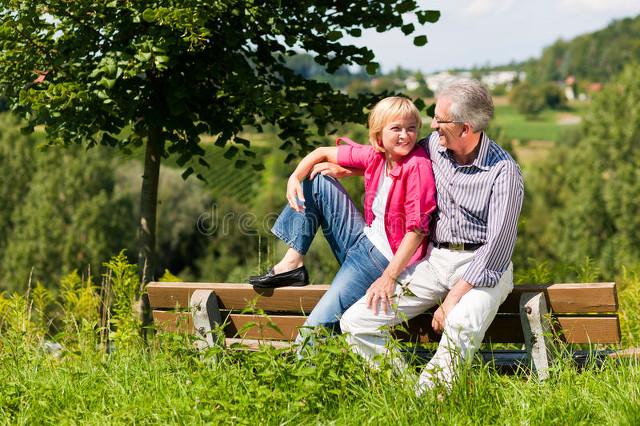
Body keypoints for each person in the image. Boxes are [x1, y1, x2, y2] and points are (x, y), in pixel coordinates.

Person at [340, 78, 524, 394]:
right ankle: (403, 396)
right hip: (436, 262)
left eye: (440, 119)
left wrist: (453, 297)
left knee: (460, 322)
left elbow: (498, 247)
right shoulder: (433, 149)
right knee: (357, 322)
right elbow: (390, 153)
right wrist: (333, 164)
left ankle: (429, 402)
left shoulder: (504, 171)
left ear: (466, 128)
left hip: (482, 270)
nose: (433, 124)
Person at [249, 96, 437, 348]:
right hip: (360, 239)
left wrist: (389, 276)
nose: (405, 135)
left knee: (310, 337)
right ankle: (292, 263)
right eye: (396, 128)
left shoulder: (417, 166)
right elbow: (321, 152)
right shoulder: (376, 156)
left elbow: (417, 230)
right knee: (315, 179)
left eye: (411, 128)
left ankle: (309, 379)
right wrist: (294, 177)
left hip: (377, 260)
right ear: (379, 134)